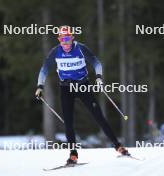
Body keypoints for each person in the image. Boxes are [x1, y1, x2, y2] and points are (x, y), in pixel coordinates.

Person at [35, 26, 130, 165]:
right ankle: (73, 155)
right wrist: (39, 86)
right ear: (59, 40)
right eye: (62, 39)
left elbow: (96, 63)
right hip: (66, 88)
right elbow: (44, 69)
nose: (65, 42)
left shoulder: (80, 48)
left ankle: (118, 146)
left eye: (67, 38)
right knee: (68, 123)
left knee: (98, 116)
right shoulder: (55, 51)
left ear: (72, 38)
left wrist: (98, 77)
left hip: (82, 85)